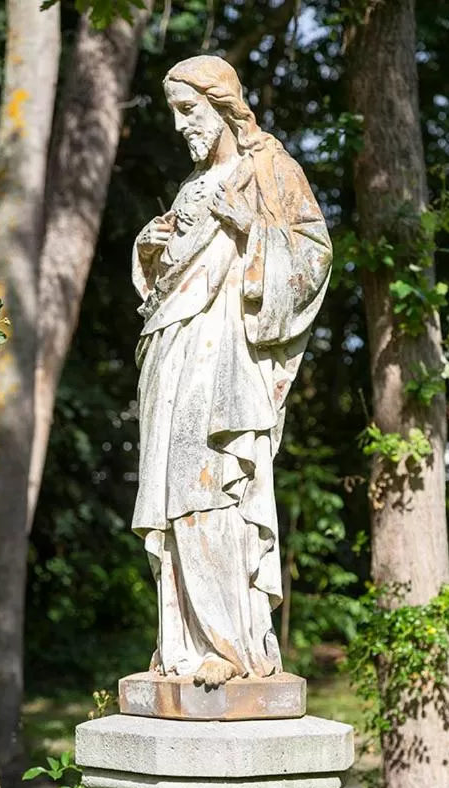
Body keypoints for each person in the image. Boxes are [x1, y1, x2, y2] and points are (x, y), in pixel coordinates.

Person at [132, 55, 332, 687]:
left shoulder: (267, 168)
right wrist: (151, 249)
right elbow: (171, 270)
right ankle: (183, 643)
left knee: (213, 481)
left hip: (225, 356)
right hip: (172, 349)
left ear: (221, 105)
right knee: (173, 495)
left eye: (188, 110)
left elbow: (314, 256)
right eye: (174, 112)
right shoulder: (192, 186)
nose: (180, 125)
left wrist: (251, 230)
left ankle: (232, 643)